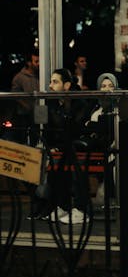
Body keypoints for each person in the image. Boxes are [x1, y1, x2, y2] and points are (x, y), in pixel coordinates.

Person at [32, 68, 90, 224]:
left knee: (68, 164)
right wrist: (45, 145)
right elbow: (44, 129)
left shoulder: (79, 102)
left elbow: (74, 130)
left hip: (76, 147)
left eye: (55, 82)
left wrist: (56, 147)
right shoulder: (49, 102)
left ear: (67, 85)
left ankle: (80, 208)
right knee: (40, 161)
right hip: (59, 147)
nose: (50, 85)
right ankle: (56, 205)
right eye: (50, 81)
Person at [82, 72, 119, 207]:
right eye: (103, 86)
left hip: (110, 148)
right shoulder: (95, 105)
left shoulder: (118, 105)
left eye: (110, 85)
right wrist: (93, 127)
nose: (107, 89)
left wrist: (91, 126)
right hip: (95, 147)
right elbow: (83, 125)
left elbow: (107, 126)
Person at [10, 48, 40, 144]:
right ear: (29, 63)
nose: (39, 64)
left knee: (37, 137)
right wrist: (26, 105)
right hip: (24, 115)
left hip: (39, 113)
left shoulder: (41, 75)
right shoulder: (19, 77)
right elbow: (15, 95)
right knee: (23, 139)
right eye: (36, 61)